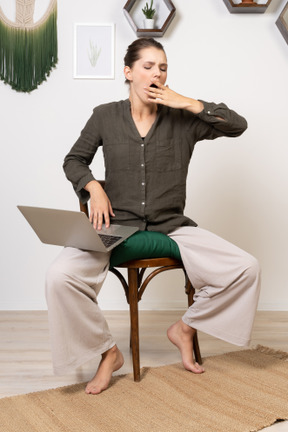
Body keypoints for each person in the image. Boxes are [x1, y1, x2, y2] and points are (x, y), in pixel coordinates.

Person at [46, 38, 261, 395]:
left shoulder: (184, 119)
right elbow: (73, 160)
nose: (157, 73)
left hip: (172, 226)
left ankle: (185, 328)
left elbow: (237, 125)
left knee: (246, 268)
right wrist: (93, 187)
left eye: (162, 67)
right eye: (148, 66)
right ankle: (107, 352)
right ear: (129, 73)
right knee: (59, 276)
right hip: (114, 226)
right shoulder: (105, 115)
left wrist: (189, 103)